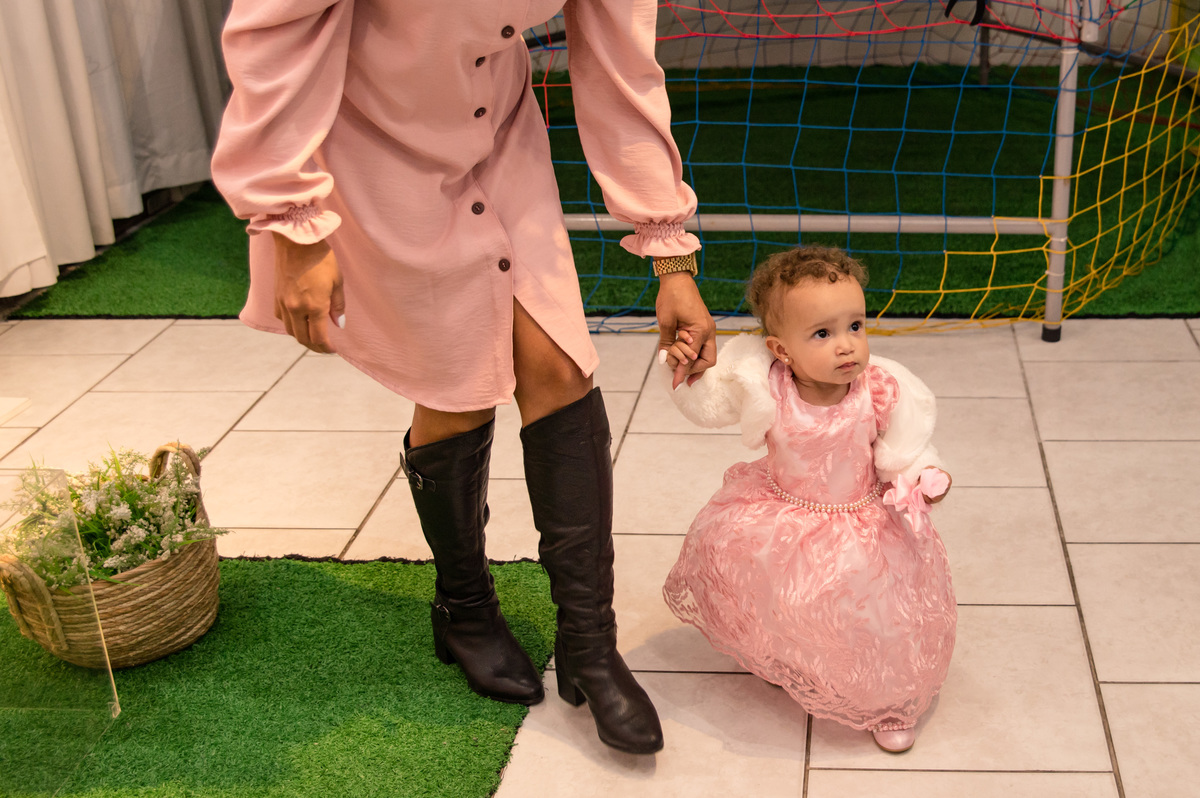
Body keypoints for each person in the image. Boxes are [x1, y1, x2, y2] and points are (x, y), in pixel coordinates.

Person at [210, 0, 716, 755]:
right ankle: (465, 607)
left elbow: (621, 71)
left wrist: (669, 251)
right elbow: (273, 38)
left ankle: (589, 644)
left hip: (498, 134)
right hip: (368, 146)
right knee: (457, 384)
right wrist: (291, 218)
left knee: (557, 363)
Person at [660, 246, 956, 753]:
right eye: (823, 333)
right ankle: (789, 660)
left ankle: (882, 700)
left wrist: (922, 475)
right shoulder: (765, 384)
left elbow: (903, 445)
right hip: (782, 513)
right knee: (781, 594)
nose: (846, 346)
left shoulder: (878, 389)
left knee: (871, 612)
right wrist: (687, 372)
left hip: (859, 520)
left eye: (855, 326)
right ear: (780, 350)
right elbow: (711, 404)